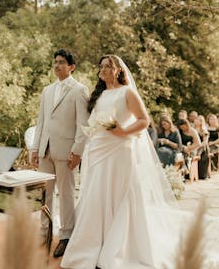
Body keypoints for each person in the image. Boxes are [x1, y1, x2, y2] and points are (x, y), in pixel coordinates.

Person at [60, 55, 219, 269]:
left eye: (108, 67)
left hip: (119, 150)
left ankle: (117, 248)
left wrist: (122, 131)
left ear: (118, 70)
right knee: (96, 194)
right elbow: (92, 122)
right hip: (99, 150)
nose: (103, 70)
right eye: (101, 67)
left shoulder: (128, 92)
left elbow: (144, 121)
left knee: (118, 195)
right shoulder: (100, 94)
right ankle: (92, 244)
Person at [31, 49, 89, 258]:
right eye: (55, 62)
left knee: (66, 195)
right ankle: (44, 231)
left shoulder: (80, 90)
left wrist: (77, 152)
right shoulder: (47, 90)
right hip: (46, 150)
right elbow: (41, 122)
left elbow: (83, 126)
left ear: (72, 66)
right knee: (44, 194)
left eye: (62, 62)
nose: (57, 66)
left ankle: (65, 236)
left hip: (67, 153)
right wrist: (35, 148)